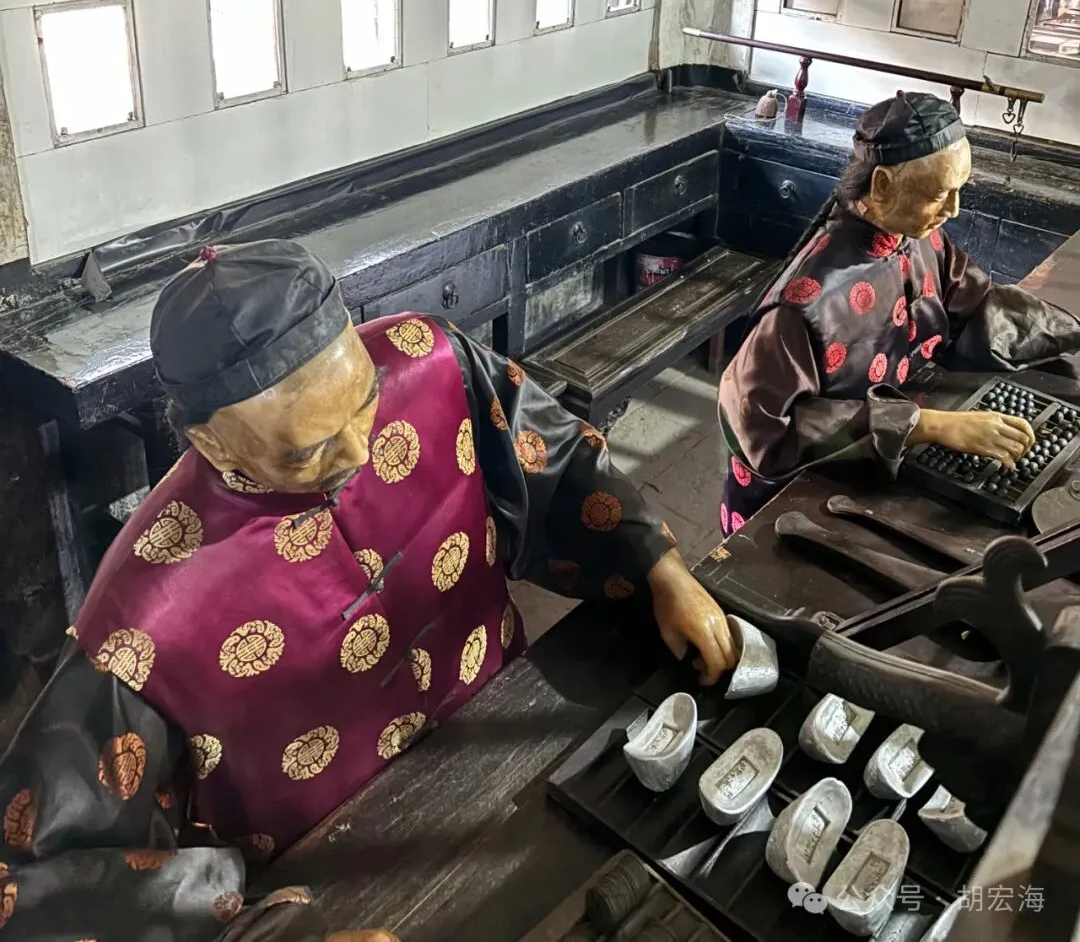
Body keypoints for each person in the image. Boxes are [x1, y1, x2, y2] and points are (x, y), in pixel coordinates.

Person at [0, 240, 736, 941]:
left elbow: (556, 457)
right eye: (311, 449)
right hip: (329, 874)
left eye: (364, 402)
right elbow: (34, 879)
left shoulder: (429, 358)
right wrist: (259, 931)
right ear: (212, 442)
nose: (358, 451)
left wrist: (657, 566)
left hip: (509, 727)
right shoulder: (143, 617)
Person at [718, 91, 1080, 531]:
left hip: (886, 456)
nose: (953, 210)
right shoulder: (806, 304)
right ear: (883, 185)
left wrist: (1072, 329)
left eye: (959, 191)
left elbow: (979, 304)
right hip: (796, 503)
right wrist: (924, 424)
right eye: (940, 194)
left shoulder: (919, 237)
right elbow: (761, 429)